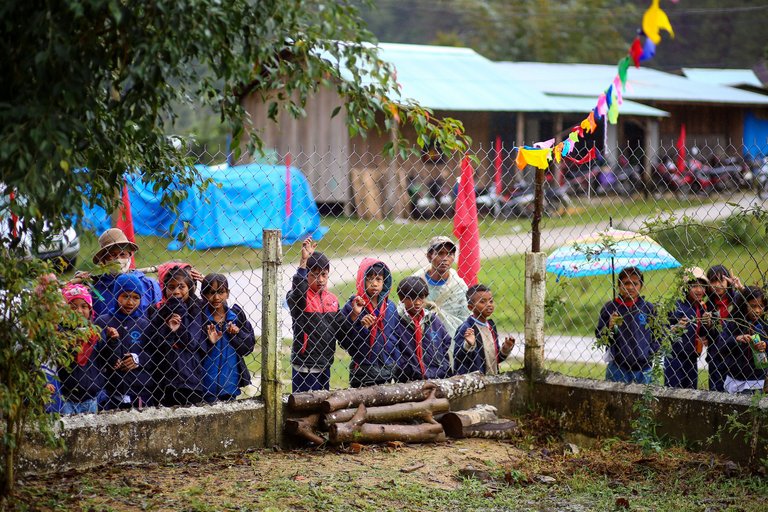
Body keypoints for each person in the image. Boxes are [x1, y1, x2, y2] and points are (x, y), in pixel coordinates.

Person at [287, 240, 347, 392]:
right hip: (305, 366)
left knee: (322, 404)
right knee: (304, 405)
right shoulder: (299, 298)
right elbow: (299, 291)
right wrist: (303, 261)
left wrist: (354, 314)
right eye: (314, 275)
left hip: (325, 364)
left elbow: (341, 328)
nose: (320, 279)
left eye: (324, 275)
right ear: (306, 275)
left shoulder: (332, 299)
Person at [147, 266, 207, 407]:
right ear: (164, 289)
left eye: (181, 287)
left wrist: (179, 312)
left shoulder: (197, 309)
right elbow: (155, 343)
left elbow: (191, 342)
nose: (176, 291)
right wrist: (168, 329)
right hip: (162, 381)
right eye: (171, 287)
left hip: (189, 380)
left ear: (190, 288)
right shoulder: (157, 311)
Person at [94, 273, 155, 410]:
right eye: (125, 296)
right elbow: (96, 355)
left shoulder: (145, 324)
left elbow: (155, 355)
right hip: (111, 392)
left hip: (140, 391)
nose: (130, 302)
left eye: (136, 297)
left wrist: (138, 359)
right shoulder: (103, 322)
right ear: (116, 296)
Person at [340, 258, 401, 388]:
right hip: (363, 370)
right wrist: (360, 325)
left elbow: (396, 337)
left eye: (378, 279)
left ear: (385, 282)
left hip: (388, 368)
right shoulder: (353, 306)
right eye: (369, 279)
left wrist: (396, 362)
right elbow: (345, 342)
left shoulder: (390, 307)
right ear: (361, 281)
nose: (374, 283)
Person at [76, 228, 162, 317]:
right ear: (103, 260)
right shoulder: (95, 288)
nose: (118, 260)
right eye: (112, 255)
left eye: (122, 254)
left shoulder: (149, 285)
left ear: (130, 255)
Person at [595, 267, 659, 384]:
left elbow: (659, 334)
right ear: (619, 286)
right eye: (626, 283)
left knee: (644, 401)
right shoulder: (609, 308)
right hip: (618, 367)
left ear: (641, 286)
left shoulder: (648, 308)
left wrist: (650, 352)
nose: (630, 287)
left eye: (634, 283)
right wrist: (610, 326)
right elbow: (600, 337)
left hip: (644, 368)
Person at [200, 273, 256, 402]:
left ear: (228, 293)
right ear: (203, 295)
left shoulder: (236, 316)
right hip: (204, 385)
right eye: (211, 293)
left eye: (221, 292)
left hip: (230, 385)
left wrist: (237, 334)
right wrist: (209, 342)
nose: (216, 297)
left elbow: (248, 347)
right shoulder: (200, 318)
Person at [664, 267, 718, 389]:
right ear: (685, 287)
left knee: (691, 393)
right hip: (675, 360)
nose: (699, 290)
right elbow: (662, 331)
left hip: (692, 359)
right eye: (694, 286)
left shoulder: (702, 307)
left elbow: (703, 333)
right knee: (672, 393)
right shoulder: (676, 306)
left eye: (702, 286)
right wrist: (675, 328)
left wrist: (707, 324)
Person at [58, 283, 105, 414]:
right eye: (73, 307)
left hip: (91, 397)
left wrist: (114, 341)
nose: (79, 311)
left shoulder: (96, 333)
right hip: (67, 398)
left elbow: (107, 356)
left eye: (84, 306)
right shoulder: (60, 333)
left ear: (90, 310)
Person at [396, 276, 452, 381]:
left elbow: (445, 342)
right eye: (412, 298)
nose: (417, 303)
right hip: (410, 379)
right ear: (402, 298)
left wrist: (443, 366)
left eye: (421, 297)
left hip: (438, 375)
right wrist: (405, 369)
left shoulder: (433, 320)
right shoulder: (398, 322)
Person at [411, 236, 468, 338]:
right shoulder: (415, 281)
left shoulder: (458, 285)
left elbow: (464, 317)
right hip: (420, 337)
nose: (445, 258)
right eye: (440, 253)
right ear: (429, 256)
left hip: (451, 338)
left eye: (449, 254)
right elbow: (403, 310)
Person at [453, 284, 515, 375]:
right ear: (471, 307)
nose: (489, 305)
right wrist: (468, 345)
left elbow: (495, 359)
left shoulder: (491, 326)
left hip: (492, 380)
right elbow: (458, 358)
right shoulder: (466, 328)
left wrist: (505, 349)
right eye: (483, 302)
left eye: (491, 301)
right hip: (474, 382)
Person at [720, 286, 767, 395]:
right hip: (733, 376)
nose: (757, 310)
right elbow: (721, 344)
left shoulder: (765, 325)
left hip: (755, 379)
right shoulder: (734, 322)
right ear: (744, 304)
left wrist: (765, 344)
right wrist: (737, 339)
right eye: (753, 306)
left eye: (761, 306)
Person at [705, 265, 743, 392]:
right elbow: (706, 334)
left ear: (728, 281)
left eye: (721, 280)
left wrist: (741, 289)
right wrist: (708, 325)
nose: (717, 285)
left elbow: (755, 305)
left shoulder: (737, 299)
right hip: (715, 354)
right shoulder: (707, 305)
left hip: (735, 353)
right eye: (713, 281)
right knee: (715, 390)